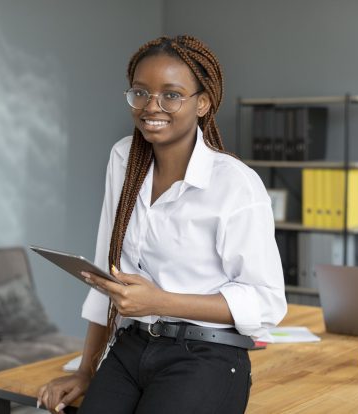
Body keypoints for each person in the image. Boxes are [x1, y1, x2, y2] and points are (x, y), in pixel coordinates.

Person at [37, 35, 287, 414]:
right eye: (140, 92)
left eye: (171, 95)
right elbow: (110, 275)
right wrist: (86, 371)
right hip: (131, 346)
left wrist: (160, 301)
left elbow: (267, 302)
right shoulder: (123, 159)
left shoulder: (235, 184)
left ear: (202, 103)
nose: (151, 106)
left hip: (206, 355)